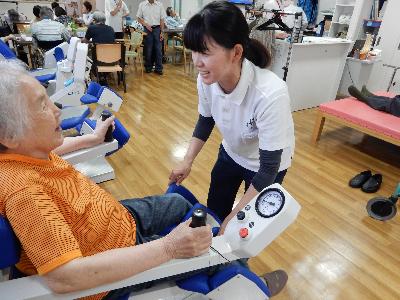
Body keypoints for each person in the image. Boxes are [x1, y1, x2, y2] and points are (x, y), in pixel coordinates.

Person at [0, 59, 287, 299]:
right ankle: (253, 284)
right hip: (108, 261)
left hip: (114, 221)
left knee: (176, 202)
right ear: (9, 136)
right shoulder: (23, 192)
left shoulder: (26, 152)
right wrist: (169, 247)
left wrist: (89, 138)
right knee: (214, 250)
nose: (56, 109)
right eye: (41, 105)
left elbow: (48, 150)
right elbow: (65, 277)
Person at [169, 1, 295, 235]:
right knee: (215, 214)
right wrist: (187, 161)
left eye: (205, 52)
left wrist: (236, 217)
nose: (197, 61)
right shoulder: (206, 79)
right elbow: (206, 120)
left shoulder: (270, 93)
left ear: (236, 52)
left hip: (266, 166)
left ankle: (238, 266)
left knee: (242, 229)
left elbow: (269, 168)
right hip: (231, 153)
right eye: (194, 50)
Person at [137, 0, 166, 75]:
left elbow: (162, 19)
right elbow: (138, 18)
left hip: (157, 29)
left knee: (158, 50)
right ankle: (148, 67)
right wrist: (146, 24)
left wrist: (162, 32)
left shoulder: (160, 5)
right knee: (148, 49)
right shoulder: (142, 5)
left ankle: (158, 68)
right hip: (147, 29)